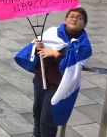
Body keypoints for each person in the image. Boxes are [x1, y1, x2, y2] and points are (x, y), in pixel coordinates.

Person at [15, 8, 92, 137]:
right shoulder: (52, 33)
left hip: (60, 84)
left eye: (79, 18)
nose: (74, 19)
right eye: (72, 16)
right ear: (65, 19)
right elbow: (34, 51)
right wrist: (37, 47)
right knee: (37, 111)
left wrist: (56, 54)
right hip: (41, 78)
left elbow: (73, 64)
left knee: (48, 118)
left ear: (84, 24)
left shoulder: (84, 45)